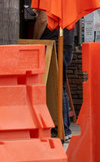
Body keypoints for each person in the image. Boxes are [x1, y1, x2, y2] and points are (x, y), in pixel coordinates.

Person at [33, 9, 74, 140]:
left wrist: (34, 41)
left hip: (51, 42)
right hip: (66, 42)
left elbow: (42, 20)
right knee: (60, 86)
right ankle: (64, 129)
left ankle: (59, 128)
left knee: (53, 87)